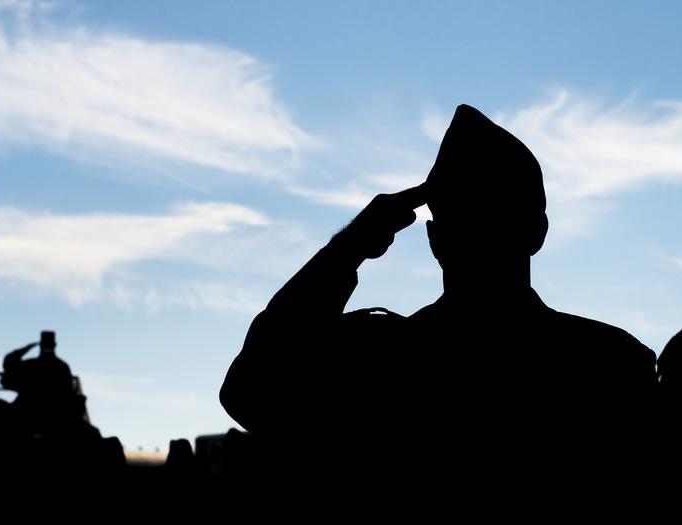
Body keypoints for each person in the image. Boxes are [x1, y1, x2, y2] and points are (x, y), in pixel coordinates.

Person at [221, 104, 658, 483]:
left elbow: (252, 388)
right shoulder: (612, 362)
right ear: (537, 232)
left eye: (492, 217)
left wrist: (351, 246)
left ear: (434, 239)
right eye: (475, 218)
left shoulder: (380, 359)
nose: (482, 235)